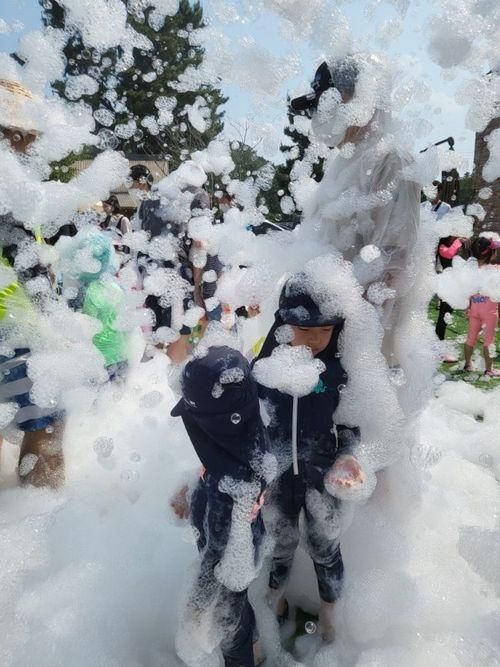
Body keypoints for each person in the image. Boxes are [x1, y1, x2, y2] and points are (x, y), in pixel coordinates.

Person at [254, 274, 364, 641]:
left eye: (325, 329)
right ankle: (275, 602)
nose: (314, 339)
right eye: (301, 328)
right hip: (278, 476)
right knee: (280, 542)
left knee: (324, 547)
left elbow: (350, 423)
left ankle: (331, 611)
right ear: (282, 324)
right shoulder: (266, 368)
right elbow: (249, 419)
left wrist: (348, 457)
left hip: (323, 478)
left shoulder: (338, 372)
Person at [293, 54, 421, 363]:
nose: (318, 114)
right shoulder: (344, 161)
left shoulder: (392, 161)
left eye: (324, 102)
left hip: (360, 342)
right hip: (326, 329)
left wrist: (354, 341)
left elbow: (393, 263)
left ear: (356, 97)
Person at [170, 346, 270, 667]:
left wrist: (196, 607)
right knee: (240, 611)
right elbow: (212, 465)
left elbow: (216, 557)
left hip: (228, 567)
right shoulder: (243, 442)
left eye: (193, 418)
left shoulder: (236, 485)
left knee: (230, 629)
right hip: (236, 556)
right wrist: (193, 486)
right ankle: (255, 644)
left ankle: (245, 653)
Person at [0, 77, 64, 488]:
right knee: (47, 425)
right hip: (14, 328)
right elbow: (27, 264)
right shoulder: (8, 184)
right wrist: (59, 325)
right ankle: (42, 520)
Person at [128, 163, 205, 363]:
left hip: (150, 273)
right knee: (179, 333)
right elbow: (199, 244)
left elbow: (141, 238)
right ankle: (172, 387)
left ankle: (152, 383)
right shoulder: (198, 195)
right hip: (176, 277)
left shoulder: (152, 196)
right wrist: (197, 288)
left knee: (155, 334)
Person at [59, 230, 130, 382]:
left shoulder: (82, 292)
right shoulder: (116, 285)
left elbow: (78, 332)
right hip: (122, 354)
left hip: (100, 360)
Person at [424, 181, 460, 354]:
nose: (431, 193)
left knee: (446, 299)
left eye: (434, 191)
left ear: (439, 192)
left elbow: (452, 230)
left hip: (441, 253)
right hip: (423, 254)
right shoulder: (421, 207)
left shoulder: (446, 208)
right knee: (421, 297)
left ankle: (439, 337)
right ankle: (418, 336)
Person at [464, 237, 500, 377]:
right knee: (489, 340)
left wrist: (467, 307)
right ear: (491, 253)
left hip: (474, 309)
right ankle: (489, 369)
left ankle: (468, 364)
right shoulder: (496, 270)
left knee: (470, 338)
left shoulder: (470, 271)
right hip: (490, 312)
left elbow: (466, 291)